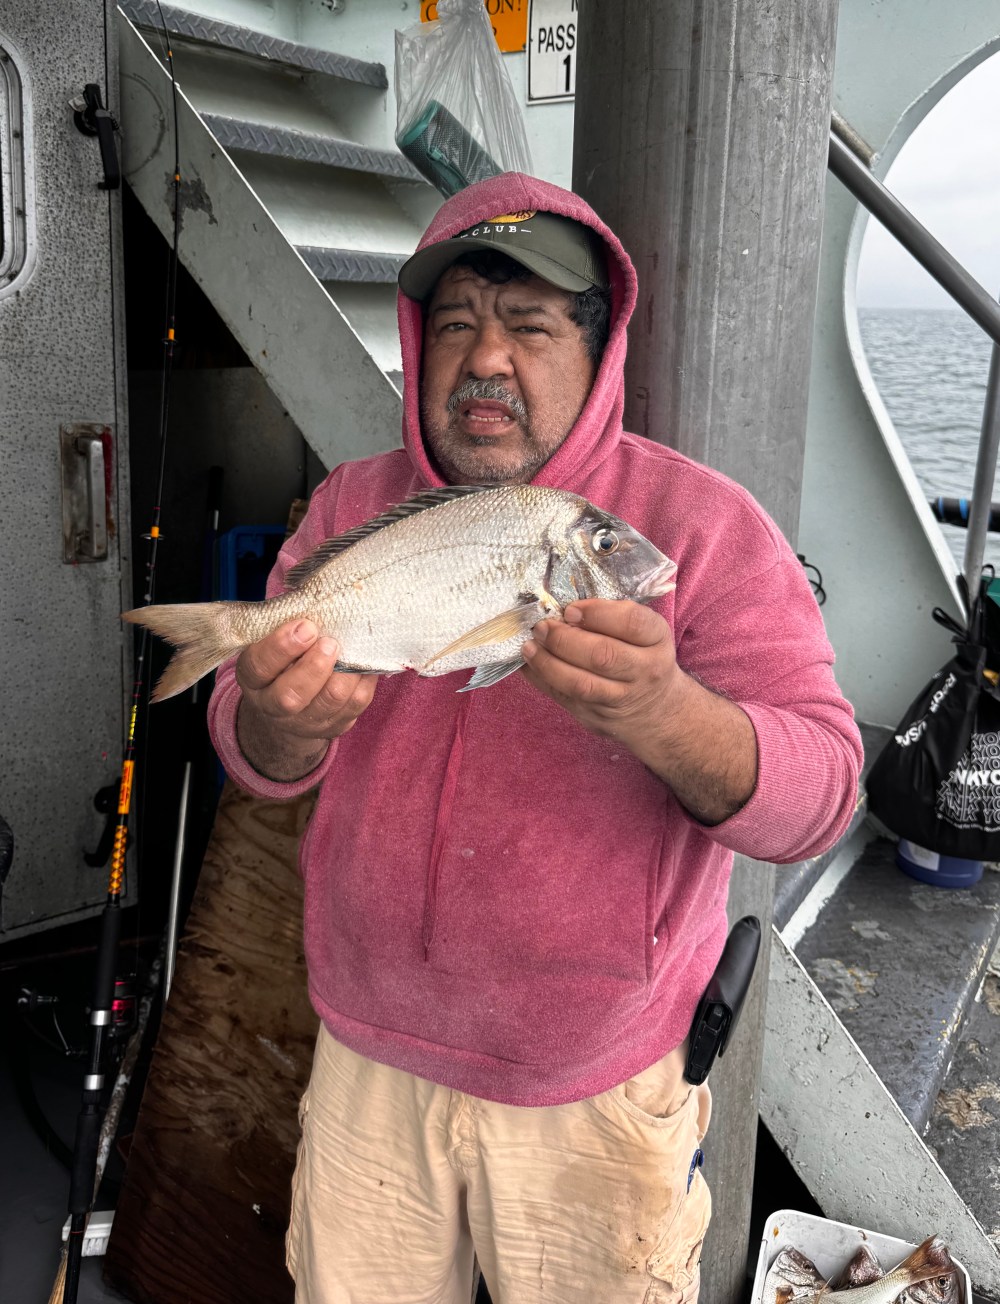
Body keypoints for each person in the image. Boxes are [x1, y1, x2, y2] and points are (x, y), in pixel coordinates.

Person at [208, 172, 863, 1304]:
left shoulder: (700, 527)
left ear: (598, 348)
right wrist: (270, 717)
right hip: (368, 1058)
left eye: (530, 324)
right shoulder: (346, 509)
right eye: (456, 322)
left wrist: (665, 711)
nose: (486, 358)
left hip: (593, 1090)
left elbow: (824, 788)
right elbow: (251, 744)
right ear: (418, 343)